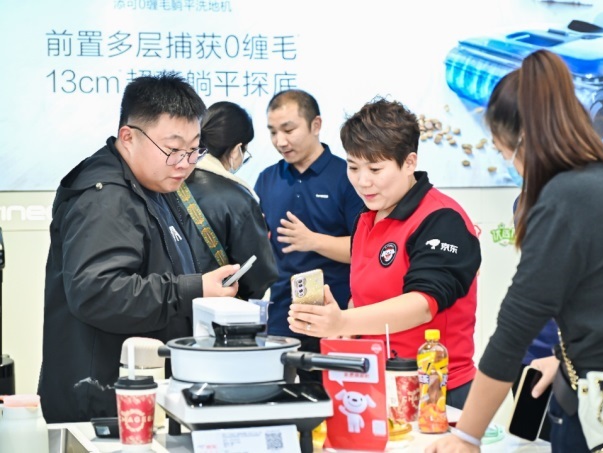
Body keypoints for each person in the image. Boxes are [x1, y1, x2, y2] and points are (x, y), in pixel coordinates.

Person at [426, 49, 603, 453]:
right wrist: (564, 358)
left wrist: (466, 436)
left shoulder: (563, 198)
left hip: (602, 421)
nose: (510, 165)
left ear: (523, 143)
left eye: (503, 152)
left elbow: (514, 330)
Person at [38, 72, 241, 423]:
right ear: (128, 137)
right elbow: (97, 293)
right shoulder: (107, 198)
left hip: (133, 392)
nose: (185, 163)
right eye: (173, 150)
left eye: (194, 150)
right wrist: (193, 289)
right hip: (105, 404)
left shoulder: (153, 184)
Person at [288, 98, 481, 408]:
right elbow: (365, 297)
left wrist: (343, 322)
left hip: (436, 390)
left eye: (376, 169)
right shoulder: (367, 218)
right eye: (353, 167)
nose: (363, 181)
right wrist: (335, 323)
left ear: (409, 162)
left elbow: (422, 304)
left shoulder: (442, 219)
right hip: (376, 383)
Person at [254, 89, 364, 382]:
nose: (280, 141)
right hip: (282, 316)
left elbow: (366, 250)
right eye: (273, 132)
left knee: (333, 398)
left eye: (289, 130)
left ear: (316, 125)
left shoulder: (347, 176)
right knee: (278, 396)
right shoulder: (267, 179)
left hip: (336, 315)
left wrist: (312, 241)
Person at [494, 71, 557, 442]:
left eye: (504, 149)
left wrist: (566, 358)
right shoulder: (524, 202)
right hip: (530, 357)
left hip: (577, 363)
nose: (506, 159)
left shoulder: (588, 196)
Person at [179, 101, 278, 299]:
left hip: (171, 302)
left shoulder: (171, 182)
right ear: (237, 149)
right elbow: (258, 278)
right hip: (218, 309)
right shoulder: (240, 199)